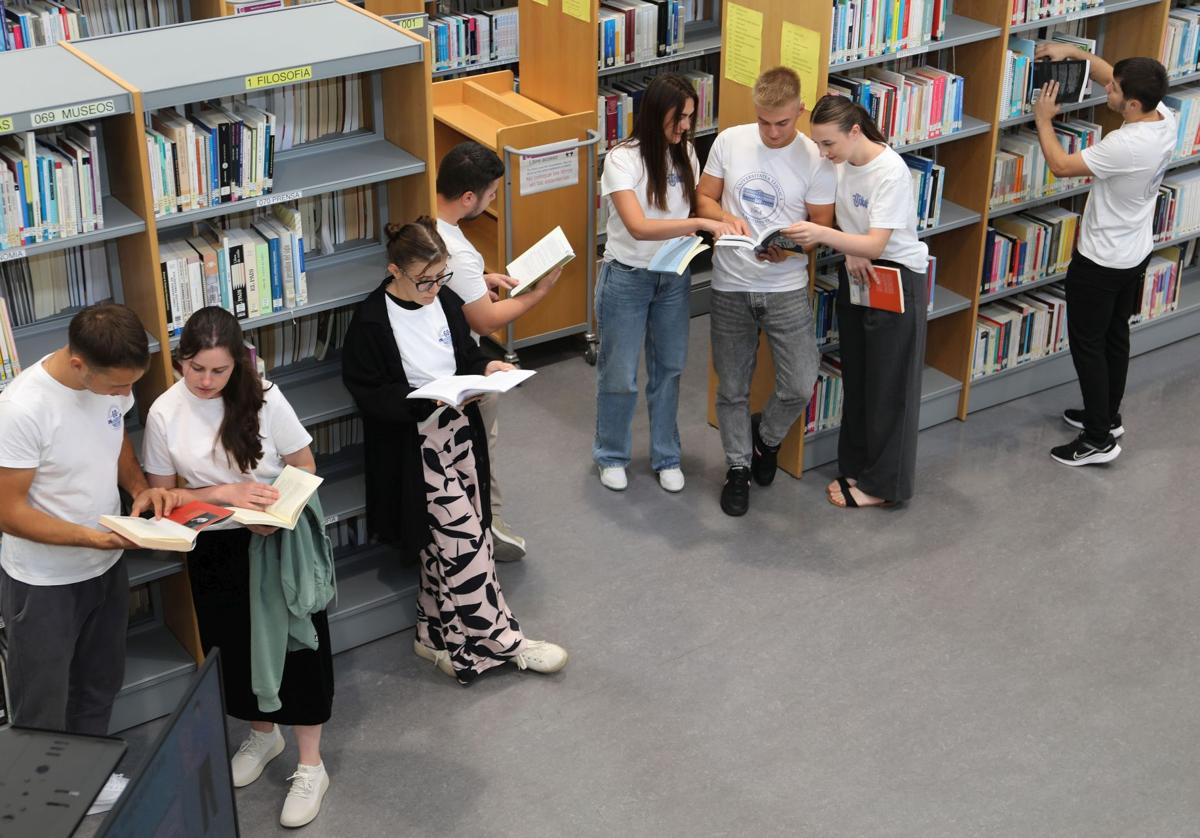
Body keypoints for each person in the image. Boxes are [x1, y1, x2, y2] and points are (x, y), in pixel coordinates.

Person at [341, 218, 567, 684]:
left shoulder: (444, 300)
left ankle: (432, 634)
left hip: (460, 433)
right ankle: (505, 640)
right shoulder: (370, 322)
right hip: (415, 446)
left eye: (441, 277)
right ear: (394, 272)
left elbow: (466, 353)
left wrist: (488, 366)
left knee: (457, 540)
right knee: (462, 544)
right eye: (424, 280)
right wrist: (418, 402)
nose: (434, 288)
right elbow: (368, 393)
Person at [142, 307, 333, 829]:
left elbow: (306, 466)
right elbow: (162, 495)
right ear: (181, 359)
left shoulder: (266, 398)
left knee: (299, 648)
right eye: (194, 367)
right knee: (234, 646)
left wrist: (275, 513)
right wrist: (225, 494)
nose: (204, 381)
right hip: (215, 546)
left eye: (218, 371)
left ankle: (311, 765)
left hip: (277, 542)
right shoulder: (163, 412)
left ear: (238, 364)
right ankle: (263, 734)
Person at [0, 303, 179, 814]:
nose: (126, 397)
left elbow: (115, 434)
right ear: (79, 364)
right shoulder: (21, 409)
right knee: (41, 705)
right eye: (117, 387)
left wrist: (140, 487)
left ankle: (86, 781)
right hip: (43, 582)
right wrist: (87, 538)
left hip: (105, 565)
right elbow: (8, 514)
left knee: (100, 683)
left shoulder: (110, 386)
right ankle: (36, 808)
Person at [696, 66, 836, 516]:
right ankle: (736, 467)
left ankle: (766, 439)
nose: (772, 132)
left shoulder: (817, 157)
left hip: (785, 285)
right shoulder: (730, 141)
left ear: (799, 110)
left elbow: (822, 225)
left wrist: (793, 247)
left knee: (799, 381)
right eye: (764, 122)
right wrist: (722, 219)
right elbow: (704, 199)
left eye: (782, 123)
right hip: (730, 283)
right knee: (732, 386)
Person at [1031, 46, 1175, 466]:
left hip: (1101, 259)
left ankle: (1097, 440)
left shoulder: (1126, 144)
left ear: (1131, 104)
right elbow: (1115, 72)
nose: (1105, 88)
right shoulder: (1163, 117)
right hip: (1135, 252)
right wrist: (1075, 52)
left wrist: (1043, 121)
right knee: (1115, 336)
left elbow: (1060, 165)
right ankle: (1106, 416)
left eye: (1113, 90)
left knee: (1088, 345)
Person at [594, 73, 739, 493]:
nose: (686, 127)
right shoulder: (621, 159)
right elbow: (638, 227)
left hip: (672, 277)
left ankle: (666, 455)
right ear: (658, 113)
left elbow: (696, 203)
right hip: (627, 278)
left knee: (670, 369)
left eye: (691, 118)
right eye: (680, 117)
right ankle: (611, 455)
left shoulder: (687, 154)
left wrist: (724, 221)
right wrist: (699, 222)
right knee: (619, 373)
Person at [785, 95, 931, 508]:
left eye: (828, 144)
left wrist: (827, 238)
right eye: (818, 144)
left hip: (896, 280)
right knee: (862, 379)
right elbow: (856, 227)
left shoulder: (891, 172)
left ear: (854, 131)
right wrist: (850, 250)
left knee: (890, 386)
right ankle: (856, 466)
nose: (823, 153)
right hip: (860, 274)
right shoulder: (841, 163)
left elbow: (878, 240)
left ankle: (884, 486)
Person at [435, 141, 564, 558]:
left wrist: (483, 281)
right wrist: (539, 293)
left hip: (442, 347)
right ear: (469, 197)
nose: (493, 200)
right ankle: (489, 524)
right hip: (461, 362)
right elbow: (485, 321)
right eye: (490, 195)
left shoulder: (431, 224)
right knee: (482, 444)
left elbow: (457, 293)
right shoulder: (457, 252)